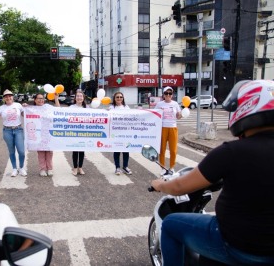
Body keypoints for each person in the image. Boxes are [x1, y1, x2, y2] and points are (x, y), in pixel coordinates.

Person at [150, 79, 274, 266]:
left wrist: (159, 184)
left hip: (234, 244)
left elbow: (179, 187)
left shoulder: (232, 152)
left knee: (170, 225)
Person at [0, 89, 27, 177]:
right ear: (4, 99)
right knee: (11, 151)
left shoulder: (18, 105)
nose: (8, 97)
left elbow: (26, 115)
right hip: (7, 131)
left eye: (10, 96)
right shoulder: (2, 108)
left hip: (18, 130)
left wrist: (26, 107)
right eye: (6, 96)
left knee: (21, 151)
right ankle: (14, 169)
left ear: (12, 97)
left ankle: (21, 168)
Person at [154, 86, 182, 175]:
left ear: (172, 95)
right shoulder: (159, 104)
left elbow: (179, 116)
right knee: (162, 149)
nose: (168, 95)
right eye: (166, 93)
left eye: (170, 93)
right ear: (163, 94)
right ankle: (162, 168)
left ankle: (172, 167)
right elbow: (154, 114)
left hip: (173, 128)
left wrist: (180, 114)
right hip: (162, 128)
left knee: (173, 150)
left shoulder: (175, 104)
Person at [31, 93, 60, 177]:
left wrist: (56, 99)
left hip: (48, 133)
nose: (41, 100)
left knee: (49, 152)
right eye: (39, 98)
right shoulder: (32, 109)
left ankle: (50, 169)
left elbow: (58, 109)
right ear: (35, 100)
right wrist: (25, 106)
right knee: (41, 152)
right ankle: (42, 169)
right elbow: (24, 114)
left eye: (42, 98)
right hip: (38, 134)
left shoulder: (47, 107)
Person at [109, 92, 132, 175]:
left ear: (123, 98)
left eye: (121, 97)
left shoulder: (126, 107)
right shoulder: (111, 108)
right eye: (117, 97)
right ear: (114, 98)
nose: (119, 98)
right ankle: (117, 167)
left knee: (126, 150)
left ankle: (125, 167)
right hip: (116, 133)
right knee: (117, 150)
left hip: (125, 132)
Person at [69, 90, 87, 175]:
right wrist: (56, 99)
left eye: (81, 96)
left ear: (83, 98)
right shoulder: (71, 107)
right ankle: (75, 168)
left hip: (84, 132)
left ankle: (80, 167)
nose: (79, 97)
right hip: (74, 132)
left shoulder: (87, 108)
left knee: (82, 151)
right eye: (78, 96)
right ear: (75, 98)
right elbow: (60, 112)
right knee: (75, 150)